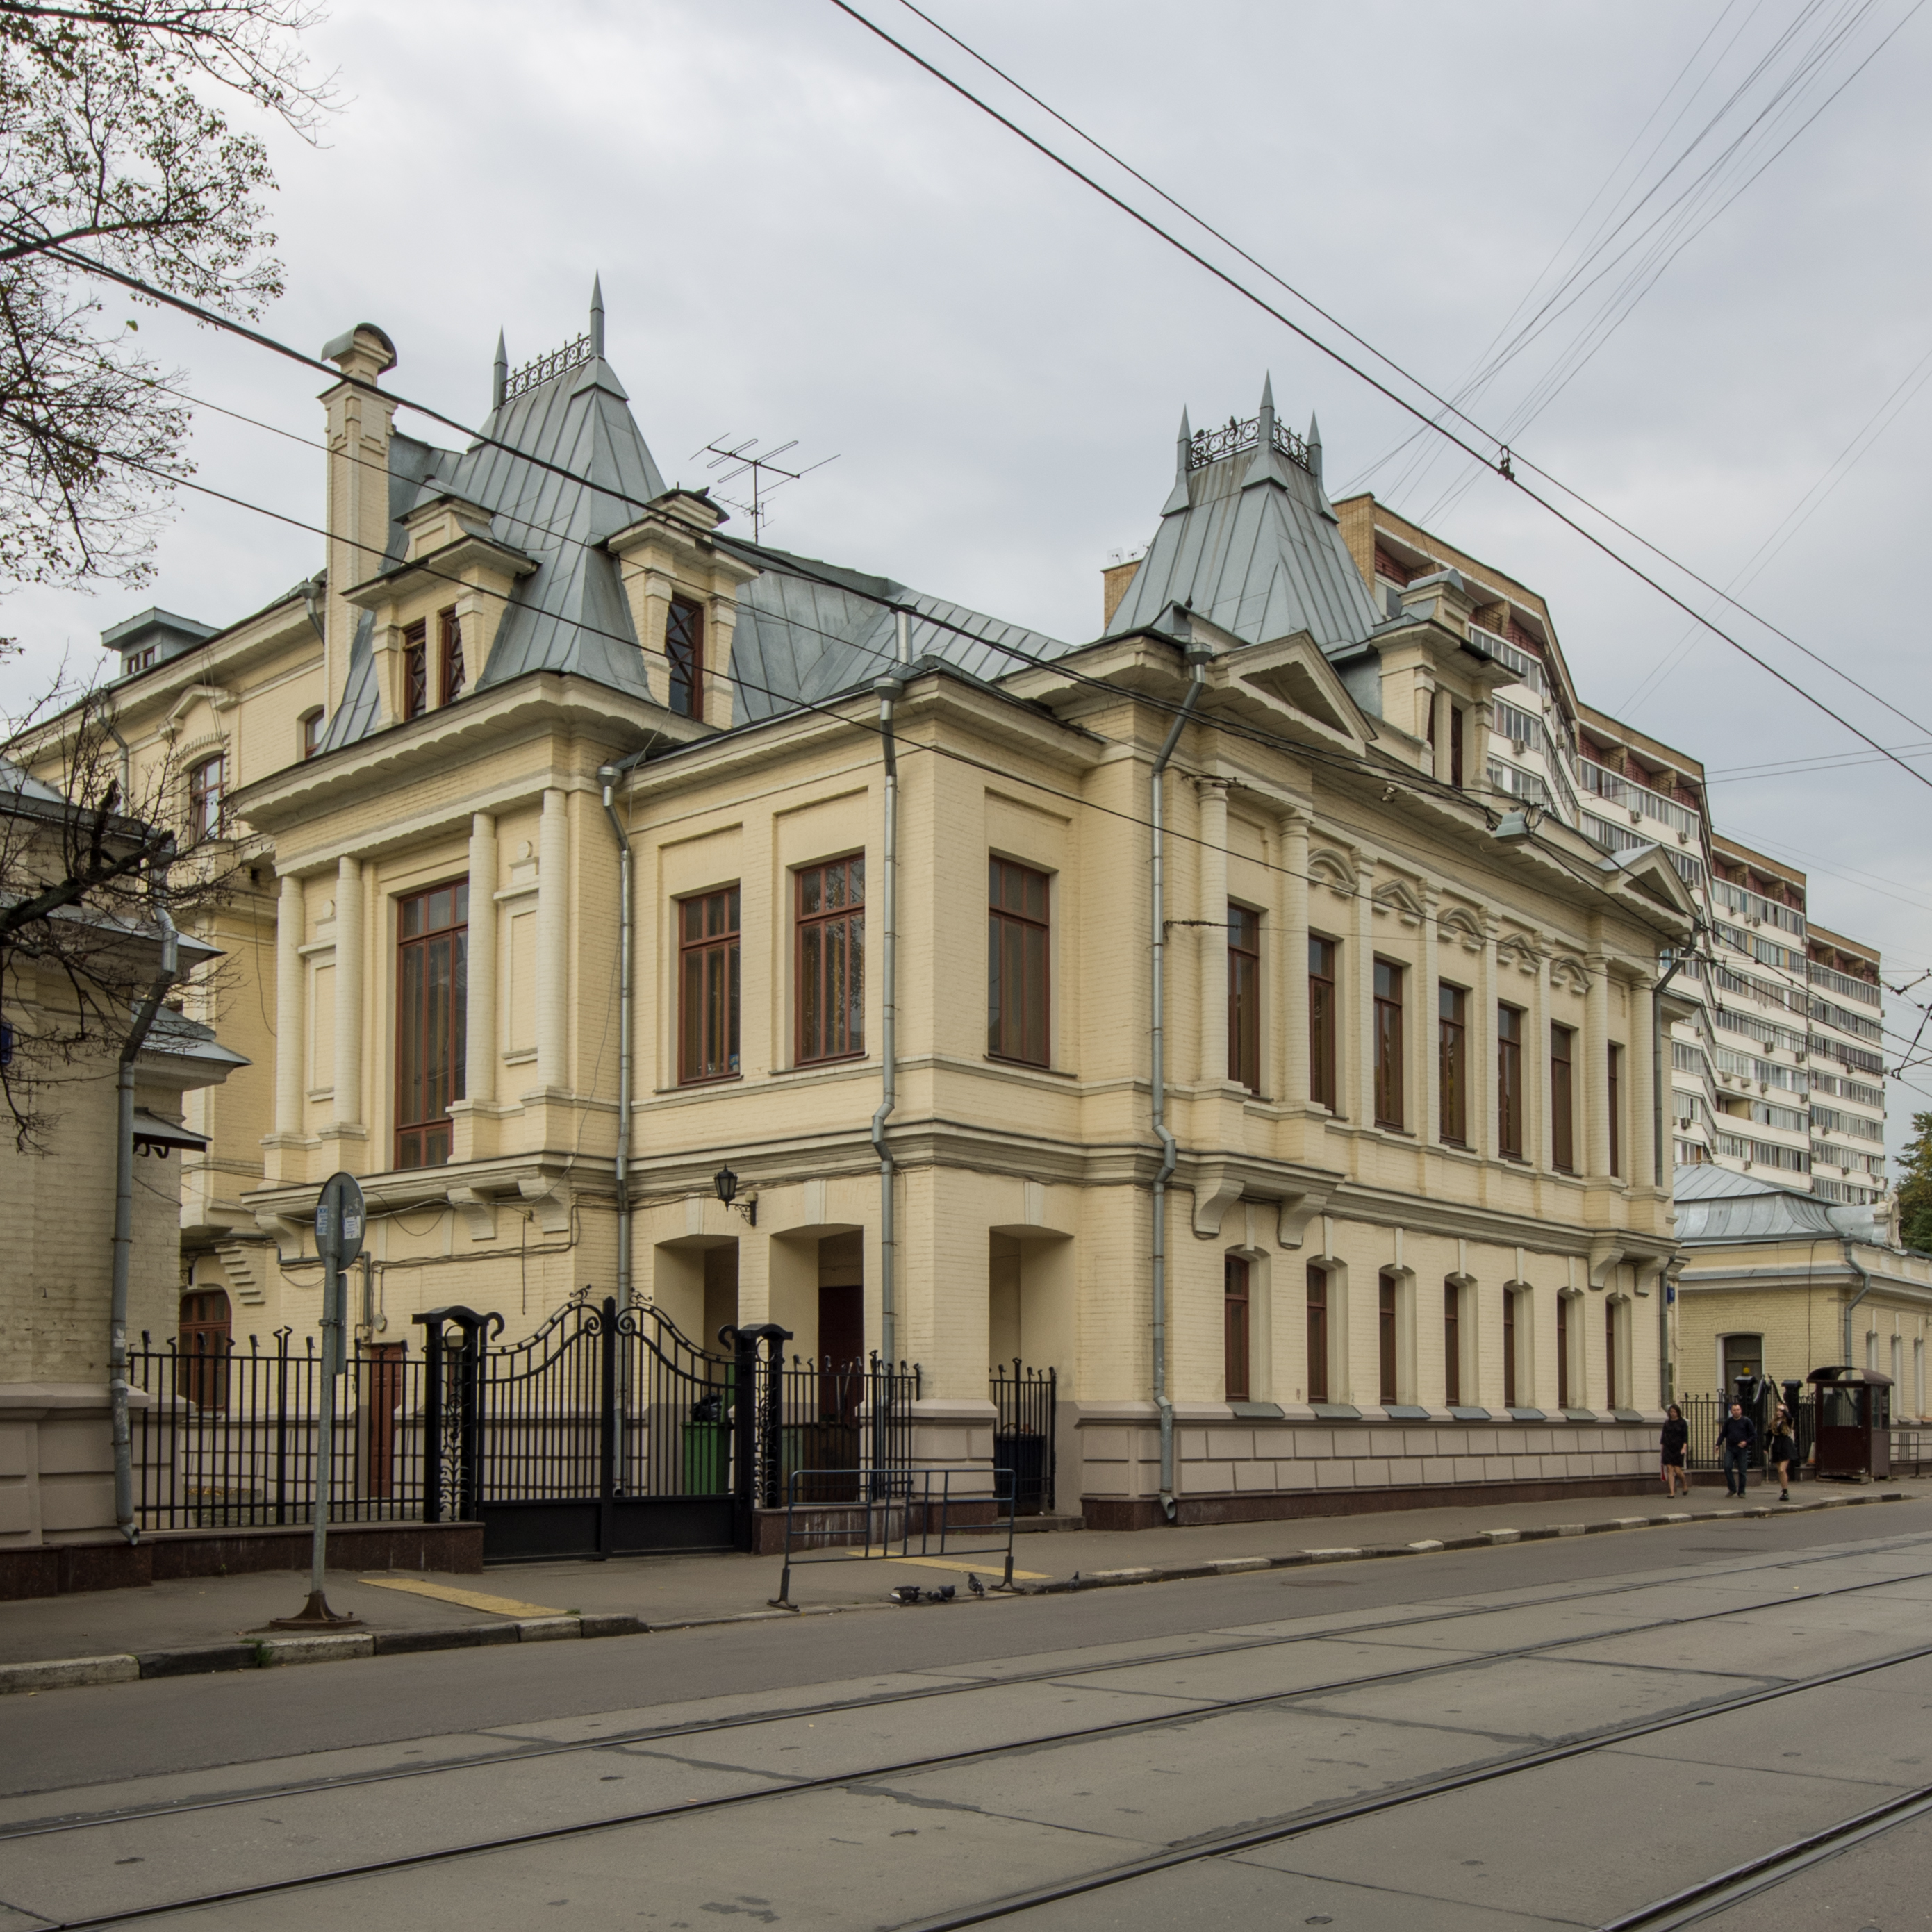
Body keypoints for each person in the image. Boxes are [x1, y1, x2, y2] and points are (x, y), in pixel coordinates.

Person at [1718, 1401, 1756, 1498]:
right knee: (1727, 1467)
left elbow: (1754, 1435)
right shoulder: (1728, 1422)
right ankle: (1732, 1488)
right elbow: (1723, 1434)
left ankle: (1742, 1491)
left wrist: (1746, 1442)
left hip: (1742, 1449)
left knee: (1742, 1471)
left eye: (1738, 1410)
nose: (1736, 1412)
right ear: (1731, 1411)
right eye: (1734, 1410)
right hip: (1731, 1447)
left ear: (1741, 1410)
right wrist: (1718, 1444)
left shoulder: (1746, 1421)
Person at [1768, 1403, 1798, 1502]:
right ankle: (1784, 1490)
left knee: (1782, 1470)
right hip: (1777, 1447)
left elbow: (1790, 1417)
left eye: (1781, 1411)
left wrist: (1784, 1410)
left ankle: (1786, 1492)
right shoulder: (1774, 1422)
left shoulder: (1788, 1422)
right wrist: (1765, 1447)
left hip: (1786, 1446)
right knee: (1780, 1472)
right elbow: (1769, 1435)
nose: (1779, 1412)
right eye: (1778, 1411)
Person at [1660, 1403, 1690, 1498]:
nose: (1673, 1414)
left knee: (1677, 1470)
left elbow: (1685, 1437)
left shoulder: (1682, 1423)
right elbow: (1663, 1437)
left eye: (1674, 1412)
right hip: (1668, 1448)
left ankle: (1684, 1483)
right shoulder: (1667, 1423)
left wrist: (1684, 1447)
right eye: (1671, 1412)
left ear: (1678, 1413)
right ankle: (1672, 1492)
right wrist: (1662, 1449)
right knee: (1669, 1469)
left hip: (1678, 1448)